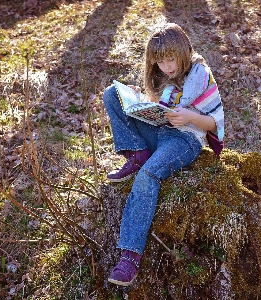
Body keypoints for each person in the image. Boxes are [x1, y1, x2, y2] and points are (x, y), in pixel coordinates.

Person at [102, 22, 224, 286]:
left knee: (147, 176)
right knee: (112, 94)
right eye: (160, 61)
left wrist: (189, 117)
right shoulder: (165, 78)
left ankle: (129, 257)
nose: (167, 66)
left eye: (171, 59)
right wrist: (137, 101)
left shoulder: (200, 74)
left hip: (184, 140)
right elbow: (160, 108)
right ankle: (138, 153)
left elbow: (216, 122)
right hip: (160, 130)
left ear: (183, 51)